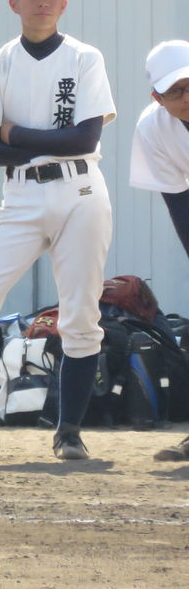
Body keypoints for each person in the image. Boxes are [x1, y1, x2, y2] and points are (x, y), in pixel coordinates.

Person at [0, 0, 115, 462]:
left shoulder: (85, 58)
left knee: (81, 318)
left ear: (65, 3)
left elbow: (86, 137)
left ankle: (69, 432)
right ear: (13, 3)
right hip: (20, 194)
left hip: (81, 193)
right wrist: (45, 144)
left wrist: (16, 133)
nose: (41, 2)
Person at [128, 40, 189, 462]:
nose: (186, 97)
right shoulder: (153, 129)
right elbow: (181, 203)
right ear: (157, 97)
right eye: (175, 92)